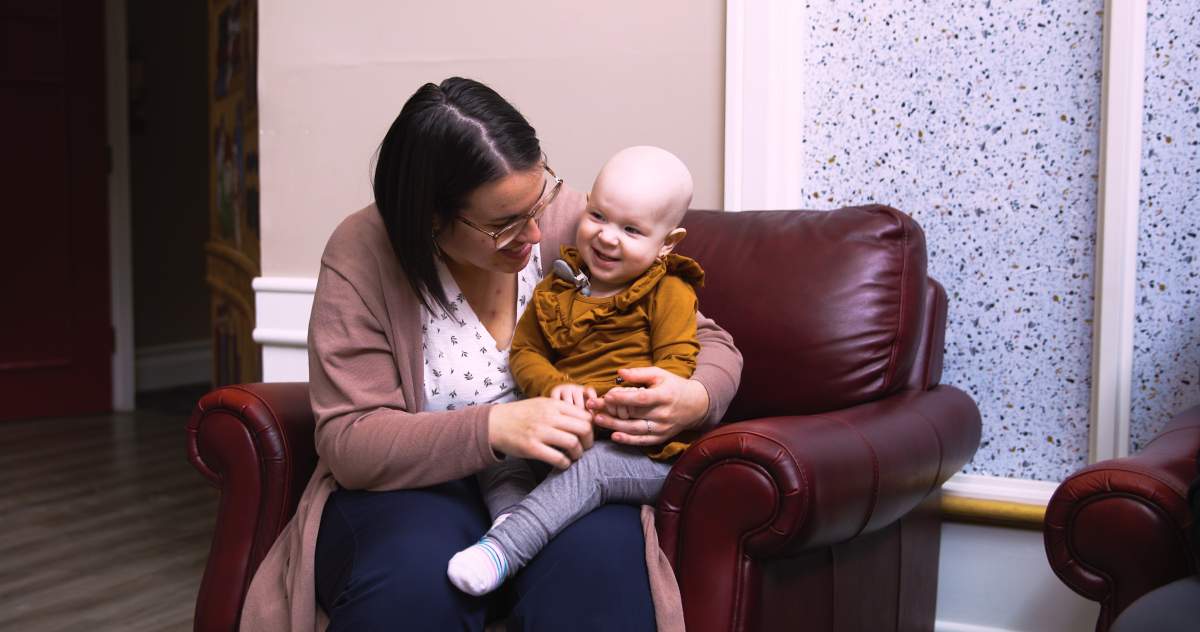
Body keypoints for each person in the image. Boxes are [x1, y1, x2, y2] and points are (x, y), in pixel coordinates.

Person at [237, 77, 743, 632]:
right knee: (414, 586)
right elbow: (350, 440)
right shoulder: (362, 256)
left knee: (600, 579)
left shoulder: (572, 224)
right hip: (418, 485)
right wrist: (498, 428)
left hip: (560, 478)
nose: (534, 233)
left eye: (540, 200)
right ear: (431, 219)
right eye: (503, 226)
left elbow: (710, 341)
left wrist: (694, 397)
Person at [447, 146, 705, 597]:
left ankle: (503, 548)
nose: (607, 237)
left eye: (631, 230)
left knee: (592, 468)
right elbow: (525, 351)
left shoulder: (669, 292)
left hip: (635, 449)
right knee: (495, 451)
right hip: (565, 427)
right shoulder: (560, 284)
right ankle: (514, 515)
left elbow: (677, 363)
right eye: (600, 216)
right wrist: (555, 387)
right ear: (585, 206)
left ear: (668, 242)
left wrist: (634, 401)